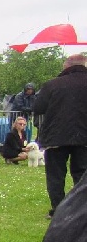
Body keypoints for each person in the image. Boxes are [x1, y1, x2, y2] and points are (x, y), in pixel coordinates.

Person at [33, 54, 87, 219]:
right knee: (81, 173)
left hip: (56, 135)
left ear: (67, 65)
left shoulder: (53, 84)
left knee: (56, 174)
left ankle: (58, 209)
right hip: (84, 135)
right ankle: (81, 209)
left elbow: (38, 107)